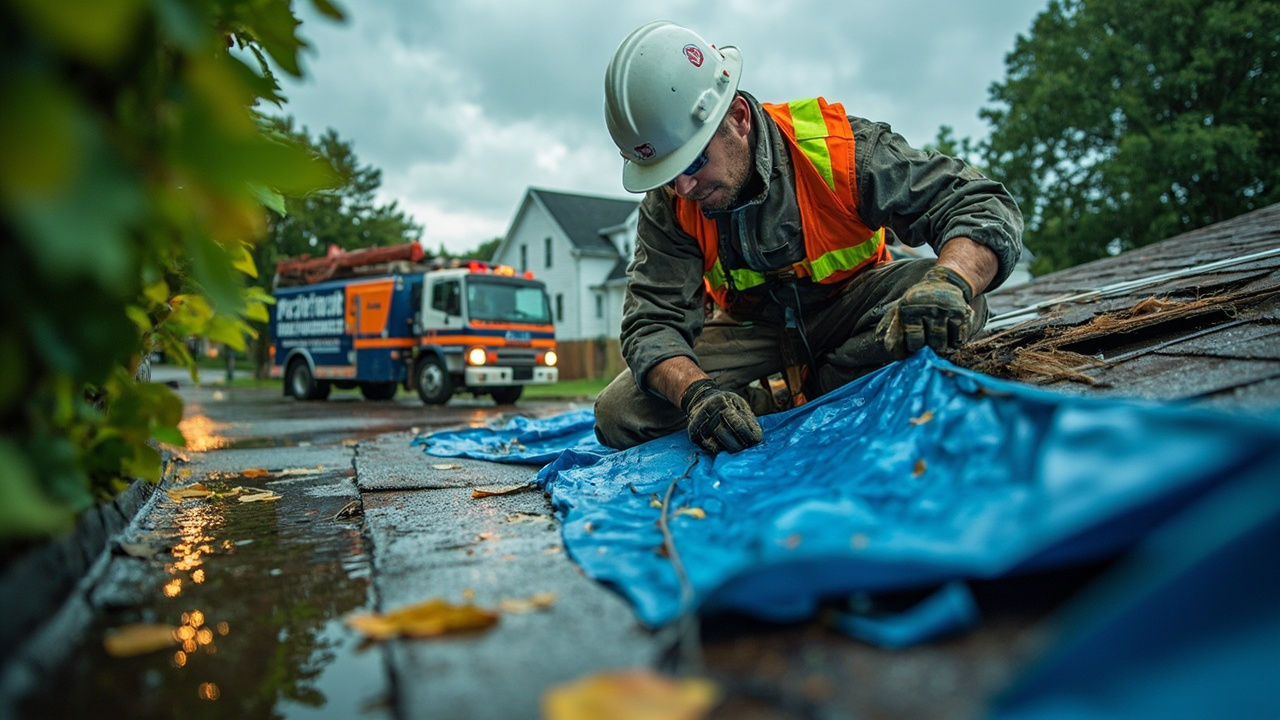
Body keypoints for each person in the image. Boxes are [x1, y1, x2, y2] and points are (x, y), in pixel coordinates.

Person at [594, 21, 1023, 454]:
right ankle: (776, 401)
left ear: (739, 119)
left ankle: (810, 388)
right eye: (668, 175)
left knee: (956, 301)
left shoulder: (838, 149)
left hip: (852, 312)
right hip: (753, 329)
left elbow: (978, 203)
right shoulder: (670, 201)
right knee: (619, 414)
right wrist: (698, 396)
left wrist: (950, 280)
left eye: (692, 163)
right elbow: (652, 322)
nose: (684, 189)